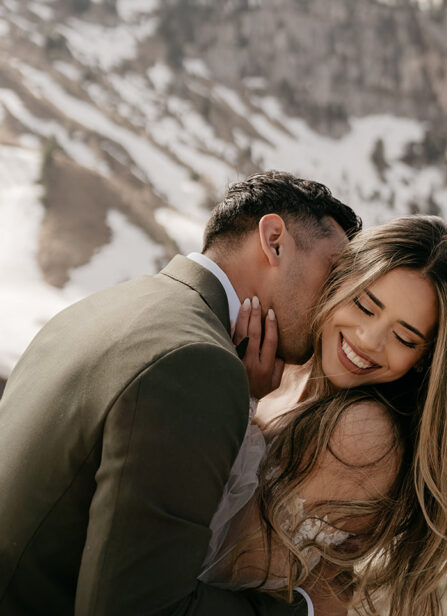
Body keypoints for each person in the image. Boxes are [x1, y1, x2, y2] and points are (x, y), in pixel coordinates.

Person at [0, 171, 360, 616]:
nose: (340, 300)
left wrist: (245, 399)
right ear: (274, 240)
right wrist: (304, 610)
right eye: (335, 272)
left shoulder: (103, 308)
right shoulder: (196, 363)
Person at [202, 215, 447, 616]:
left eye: (404, 337)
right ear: (340, 282)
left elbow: (223, 568)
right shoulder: (280, 369)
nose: (368, 341)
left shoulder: (363, 434)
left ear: (427, 359)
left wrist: (241, 401)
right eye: (364, 305)